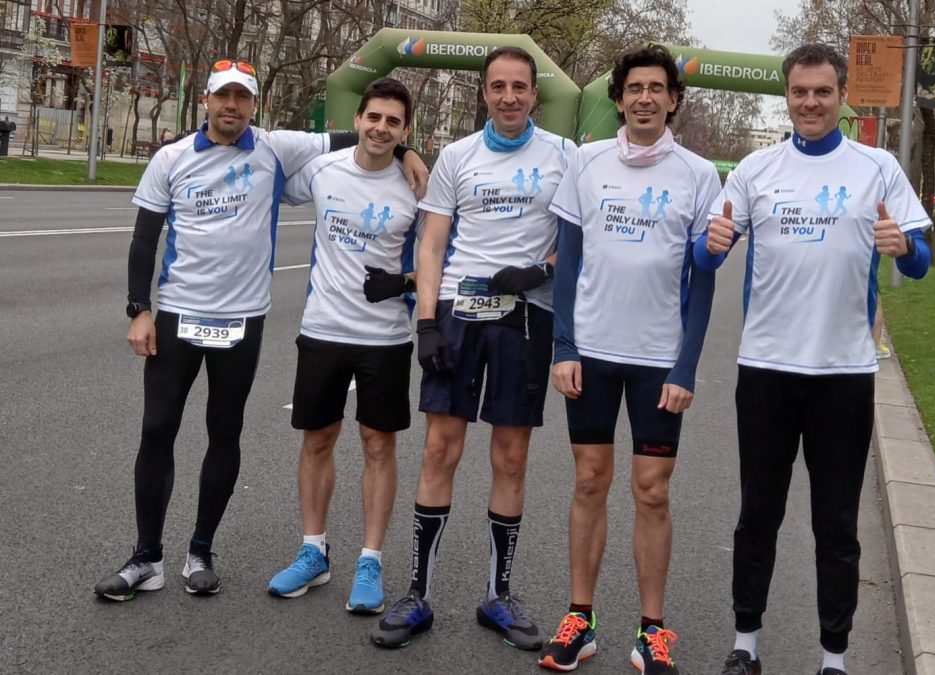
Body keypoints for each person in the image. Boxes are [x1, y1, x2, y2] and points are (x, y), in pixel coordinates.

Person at [93, 59, 428, 602]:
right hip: (178, 313)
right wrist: (139, 309)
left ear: (255, 105)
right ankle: (146, 557)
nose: (232, 106)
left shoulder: (275, 147)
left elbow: (357, 135)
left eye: (242, 98)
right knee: (157, 429)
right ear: (206, 99)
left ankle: (201, 550)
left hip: (243, 318)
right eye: (223, 96)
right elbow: (143, 240)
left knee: (225, 433)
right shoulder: (171, 157)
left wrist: (411, 152)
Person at [695, 44, 931, 675]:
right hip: (767, 370)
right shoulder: (754, 169)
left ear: (841, 95)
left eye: (823, 92)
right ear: (787, 94)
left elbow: (921, 261)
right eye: (800, 92)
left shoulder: (877, 167)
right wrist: (710, 246)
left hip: (844, 374)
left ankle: (835, 657)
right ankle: (746, 646)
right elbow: (707, 256)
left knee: (837, 524)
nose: (810, 103)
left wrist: (904, 247)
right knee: (758, 516)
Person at [370, 46, 574, 651]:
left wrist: (540, 269)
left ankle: (498, 595)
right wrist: (426, 322)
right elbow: (431, 246)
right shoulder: (458, 155)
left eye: (520, 87)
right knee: (440, 449)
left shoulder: (566, 156)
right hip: (460, 311)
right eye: (497, 87)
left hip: (525, 317)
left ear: (536, 94)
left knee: (511, 458)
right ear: (483, 92)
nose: (508, 97)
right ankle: (418, 593)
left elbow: (580, 245)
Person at [536, 44, 720, 675]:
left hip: (656, 362)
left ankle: (652, 631)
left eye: (657, 88)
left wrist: (686, 367)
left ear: (673, 100)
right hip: (591, 353)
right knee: (589, 482)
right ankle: (579, 620)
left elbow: (704, 282)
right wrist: (563, 347)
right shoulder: (586, 164)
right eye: (633, 88)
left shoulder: (699, 174)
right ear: (618, 99)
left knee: (652, 493)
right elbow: (568, 265)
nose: (645, 98)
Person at [265, 78, 420, 615]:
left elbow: (442, 260)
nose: (381, 128)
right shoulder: (324, 170)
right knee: (317, 440)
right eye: (373, 118)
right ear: (357, 119)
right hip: (324, 329)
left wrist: (405, 284)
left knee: (379, 446)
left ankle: (370, 558)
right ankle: (314, 551)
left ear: (406, 130)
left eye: (394, 123)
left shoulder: (416, 185)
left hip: (385, 337)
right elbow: (270, 168)